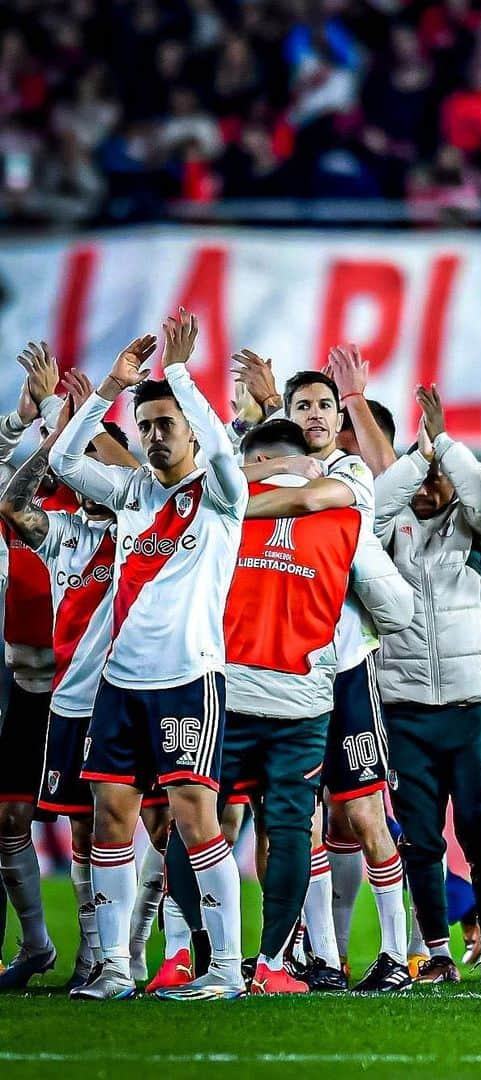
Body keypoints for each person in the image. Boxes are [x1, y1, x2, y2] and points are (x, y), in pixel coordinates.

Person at [164, 418, 411, 994]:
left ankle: (190, 956)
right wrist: (342, 624)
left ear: (251, 459)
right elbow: (398, 609)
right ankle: (274, 964)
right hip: (305, 697)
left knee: (195, 818)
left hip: (224, 689)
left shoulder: (217, 506)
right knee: (292, 828)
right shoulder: (345, 516)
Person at [48, 310, 248, 1001]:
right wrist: (107, 388)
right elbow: (62, 462)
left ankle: (223, 968)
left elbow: (223, 453)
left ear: (191, 425)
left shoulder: (223, 499)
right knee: (109, 818)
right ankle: (112, 967)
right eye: (149, 425)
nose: (157, 435)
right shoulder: (133, 494)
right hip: (118, 686)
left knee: (195, 821)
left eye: (168, 424)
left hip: (189, 680)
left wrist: (185, 376)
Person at [234, 349, 410, 991]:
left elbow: (354, 548)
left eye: (322, 405)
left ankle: (399, 952)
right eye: (300, 405)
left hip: (342, 667)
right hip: (276, 669)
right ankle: (320, 958)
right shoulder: (266, 472)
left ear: (339, 419)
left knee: (360, 813)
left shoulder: (352, 479)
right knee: (293, 819)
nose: (312, 414)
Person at [0, 366, 139, 990]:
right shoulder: (61, 529)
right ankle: (79, 952)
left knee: (152, 823)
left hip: (134, 691)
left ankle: (131, 955)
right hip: (54, 694)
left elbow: (141, 475)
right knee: (74, 824)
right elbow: (12, 500)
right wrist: (53, 429)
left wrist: (85, 408)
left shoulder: (138, 522)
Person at [374, 383, 481, 984]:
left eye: (440, 478)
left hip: (471, 710)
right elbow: (376, 505)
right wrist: (420, 457)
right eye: (422, 478)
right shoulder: (385, 533)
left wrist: (445, 444)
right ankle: (436, 955)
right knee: (421, 842)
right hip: (405, 710)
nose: (431, 488)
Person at [0, 342, 70, 990]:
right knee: (10, 821)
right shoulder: (16, 526)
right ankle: (37, 945)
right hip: (26, 689)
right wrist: (22, 421)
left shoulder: (98, 517)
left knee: (99, 819)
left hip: (83, 693)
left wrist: (57, 418)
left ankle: (118, 957)